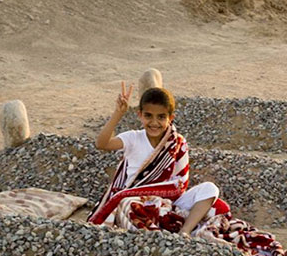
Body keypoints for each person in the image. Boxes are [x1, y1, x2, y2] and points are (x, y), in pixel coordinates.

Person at [88, 82, 228, 234]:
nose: (154, 123)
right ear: (140, 115)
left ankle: (184, 232)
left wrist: (163, 200)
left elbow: (180, 185)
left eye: (161, 117)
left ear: (170, 118)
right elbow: (102, 144)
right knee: (127, 204)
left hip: (169, 202)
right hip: (135, 199)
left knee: (210, 189)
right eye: (148, 116)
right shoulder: (133, 138)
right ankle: (159, 233)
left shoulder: (177, 142)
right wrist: (118, 114)